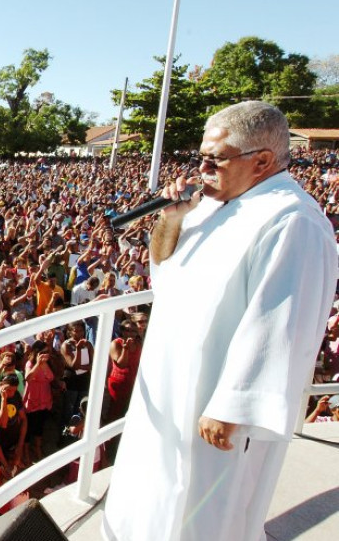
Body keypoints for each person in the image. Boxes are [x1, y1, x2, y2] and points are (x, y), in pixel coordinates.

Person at [103, 102, 338, 541]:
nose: (203, 168)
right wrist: (171, 220)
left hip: (214, 405)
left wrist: (232, 404)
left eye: (216, 158)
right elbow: (165, 270)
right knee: (153, 494)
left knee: (205, 512)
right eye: (202, 157)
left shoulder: (293, 220)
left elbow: (281, 323)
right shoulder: (213, 205)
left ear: (262, 160)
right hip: (172, 381)